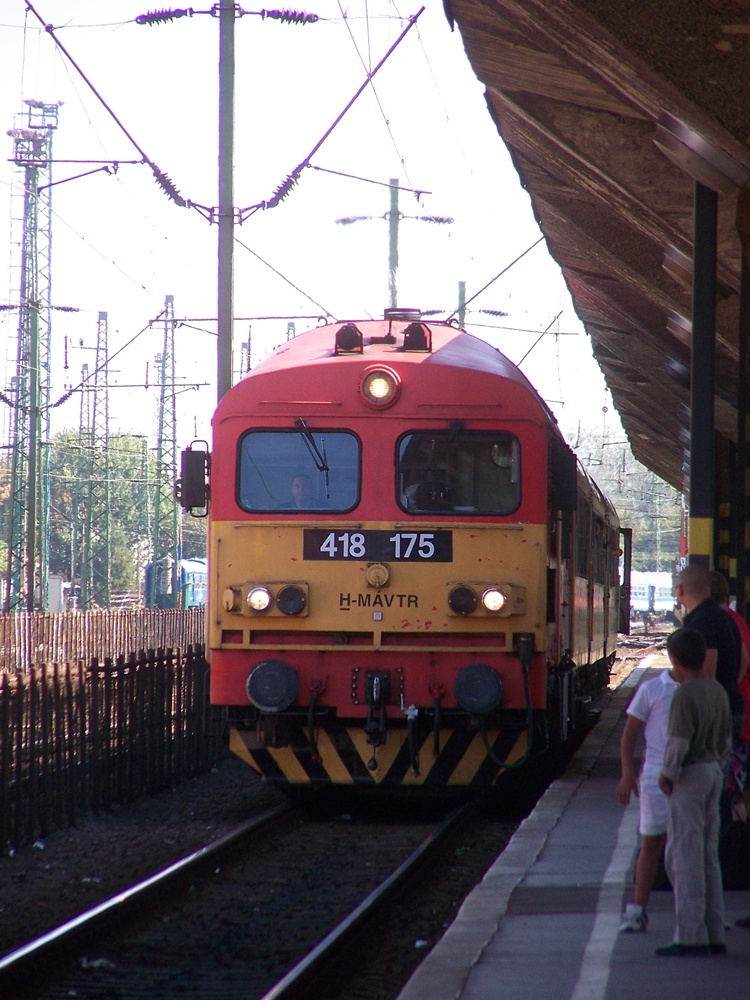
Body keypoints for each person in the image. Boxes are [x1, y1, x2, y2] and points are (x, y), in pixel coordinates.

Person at [656, 627, 731, 956]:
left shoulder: (684, 695)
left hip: (690, 775)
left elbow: (678, 742)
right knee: (708, 855)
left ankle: (689, 934)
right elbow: (727, 739)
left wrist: (667, 774)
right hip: (714, 770)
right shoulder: (716, 690)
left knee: (683, 856)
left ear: (673, 659)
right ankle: (715, 930)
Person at [616, 657, 679, 932]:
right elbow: (629, 735)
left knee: (687, 847)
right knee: (652, 844)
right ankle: (639, 907)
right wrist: (627, 773)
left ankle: (697, 910)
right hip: (655, 776)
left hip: (687, 778)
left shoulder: (703, 690)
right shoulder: (653, 689)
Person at [674, 565, 744, 740]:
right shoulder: (725, 617)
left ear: (680, 590)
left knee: (709, 767)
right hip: (730, 707)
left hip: (713, 718)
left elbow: (707, 674)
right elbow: (744, 659)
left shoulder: (702, 623)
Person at [707, 570, 750, 823]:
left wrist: (726, 691)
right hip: (741, 714)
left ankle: (736, 853)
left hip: (736, 718)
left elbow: (744, 660)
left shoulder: (722, 622)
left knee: (731, 794)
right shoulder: (735, 620)